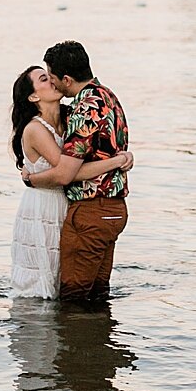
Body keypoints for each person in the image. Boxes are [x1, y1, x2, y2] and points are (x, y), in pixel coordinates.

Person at [22, 41, 131, 303]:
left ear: (67, 79)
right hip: (114, 210)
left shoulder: (85, 109)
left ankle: (76, 343)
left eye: (54, 78)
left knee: (73, 299)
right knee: (96, 296)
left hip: (91, 212)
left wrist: (31, 180)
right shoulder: (107, 96)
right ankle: (100, 341)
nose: (54, 84)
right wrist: (121, 160)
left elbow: (64, 174)